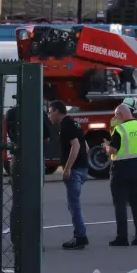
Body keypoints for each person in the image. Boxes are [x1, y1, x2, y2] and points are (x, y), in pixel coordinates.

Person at [107, 102, 137, 246]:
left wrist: (105, 146)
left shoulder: (120, 130)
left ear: (120, 115)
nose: (115, 119)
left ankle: (122, 237)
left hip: (121, 170)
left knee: (120, 204)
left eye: (116, 116)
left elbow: (113, 150)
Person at [53, 101, 90, 250]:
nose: (49, 115)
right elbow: (86, 147)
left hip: (75, 170)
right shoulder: (75, 123)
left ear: (56, 111)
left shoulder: (66, 124)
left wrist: (67, 168)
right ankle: (80, 235)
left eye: (50, 112)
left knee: (74, 205)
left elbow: (76, 145)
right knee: (74, 204)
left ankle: (80, 236)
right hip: (82, 168)